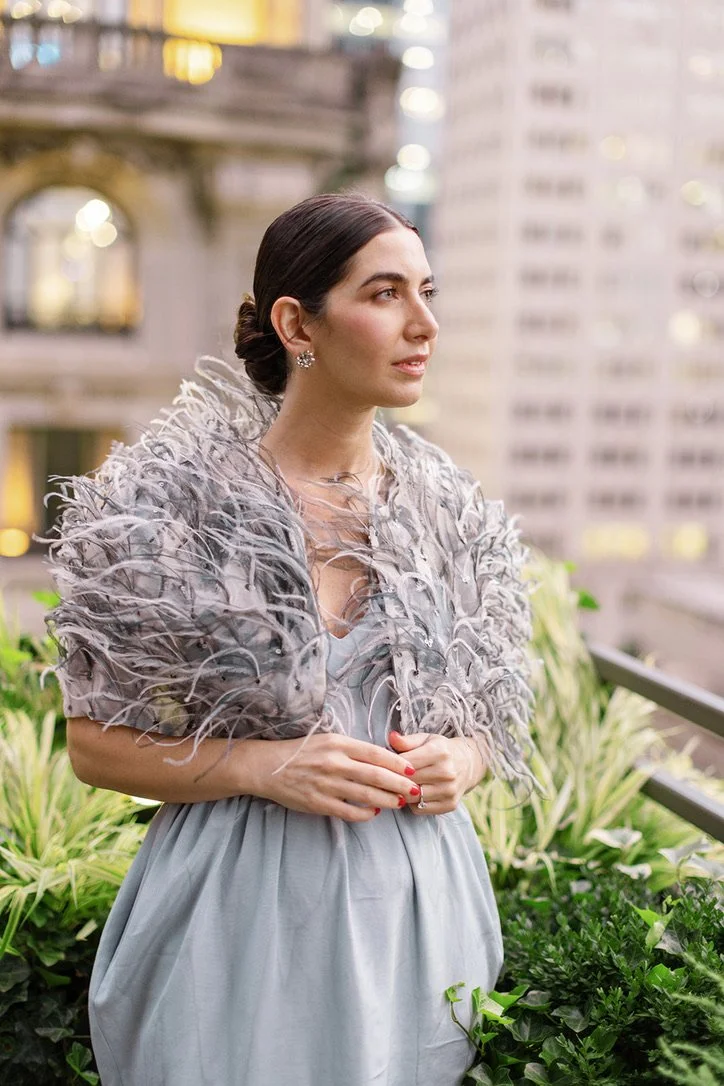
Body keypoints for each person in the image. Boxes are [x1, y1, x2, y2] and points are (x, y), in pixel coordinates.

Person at [48, 192, 536, 1086]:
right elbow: (92, 747)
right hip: (230, 920)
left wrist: (459, 760)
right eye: (386, 294)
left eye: (427, 292)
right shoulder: (167, 509)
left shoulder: (453, 518)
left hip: (415, 921)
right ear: (295, 322)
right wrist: (259, 766)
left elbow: (493, 720)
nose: (424, 323)